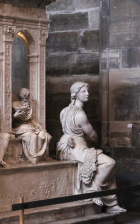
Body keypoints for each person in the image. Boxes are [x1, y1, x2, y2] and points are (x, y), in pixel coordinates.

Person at [57, 82, 126, 214]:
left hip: (65, 147)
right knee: (109, 163)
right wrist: (97, 142)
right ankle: (92, 190)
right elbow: (92, 134)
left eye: (87, 91)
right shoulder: (80, 115)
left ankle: (112, 204)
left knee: (105, 167)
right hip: (76, 148)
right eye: (83, 91)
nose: (87, 94)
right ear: (76, 94)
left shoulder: (64, 111)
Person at [12, 88, 51, 164]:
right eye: (23, 96)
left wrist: (40, 127)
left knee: (44, 135)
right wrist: (15, 116)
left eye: (27, 97)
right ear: (20, 96)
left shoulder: (30, 105)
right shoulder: (15, 104)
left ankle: (39, 156)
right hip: (19, 127)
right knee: (33, 136)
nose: (25, 99)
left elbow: (32, 119)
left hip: (30, 126)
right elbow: (8, 120)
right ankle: (33, 157)